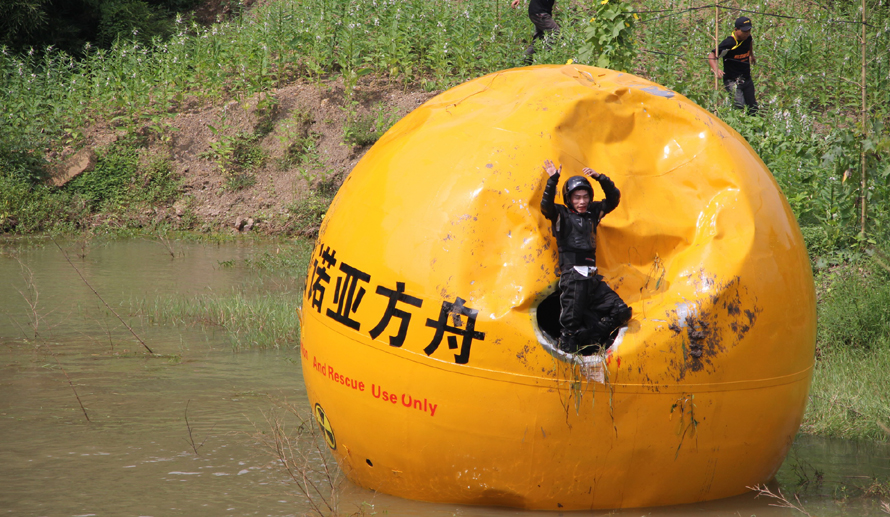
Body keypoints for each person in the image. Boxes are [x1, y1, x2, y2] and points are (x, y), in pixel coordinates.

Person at [539, 159, 632, 355]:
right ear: (568, 199)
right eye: (576, 198)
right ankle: (569, 373)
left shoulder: (593, 212)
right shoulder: (560, 214)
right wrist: (553, 179)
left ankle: (592, 336)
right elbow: (546, 206)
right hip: (573, 276)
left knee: (620, 311)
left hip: (592, 276)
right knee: (569, 333)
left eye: (585, 197)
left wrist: (600, 178)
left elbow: (614, 198)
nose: (581, 202)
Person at [708, 16, 759, 115]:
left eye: (749, 30)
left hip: (746, 78)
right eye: (744, 31)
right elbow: (712, 55)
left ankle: (753, 127)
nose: (747, 33)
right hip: (732, 81)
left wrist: (751, 55)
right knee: (739, 106)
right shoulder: (730, 43)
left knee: (753, 107)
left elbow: (750, 42)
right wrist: (716, 69)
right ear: (736, 30)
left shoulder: (748, 38)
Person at [510, 0, 559, 64]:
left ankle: (524, 61)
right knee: (555, 33)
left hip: (539, 12)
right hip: (540, 13)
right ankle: (546, 60)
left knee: (539, 39)